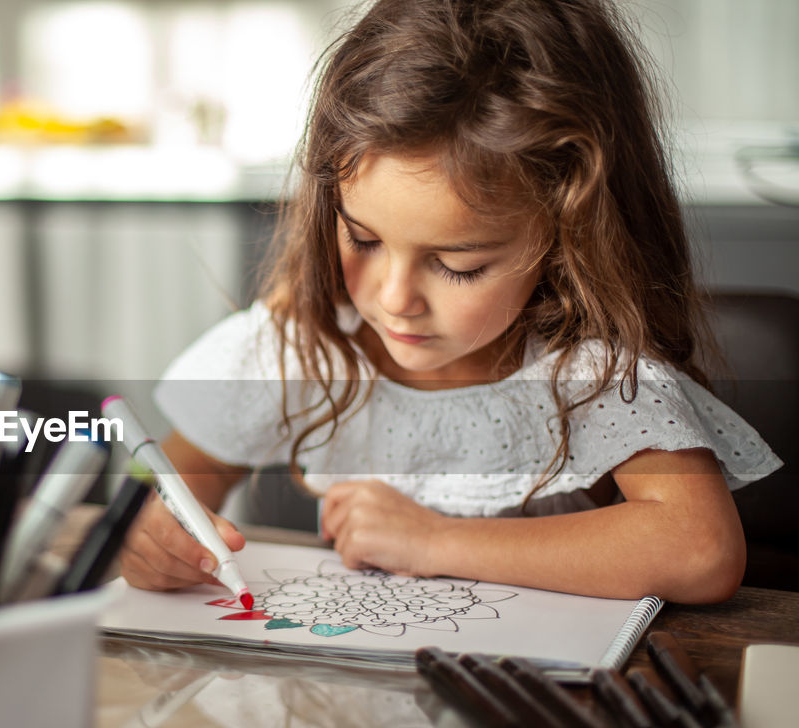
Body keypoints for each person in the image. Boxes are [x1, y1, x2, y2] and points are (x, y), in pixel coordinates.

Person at [119, 0, 781, 604]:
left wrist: (433, 541)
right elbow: (170, 486)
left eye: (457, 265)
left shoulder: (588, 374)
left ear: (567, 238)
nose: (395, 298)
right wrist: (151, 535)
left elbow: (701, 550)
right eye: (363, 237)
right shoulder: (303, 346)